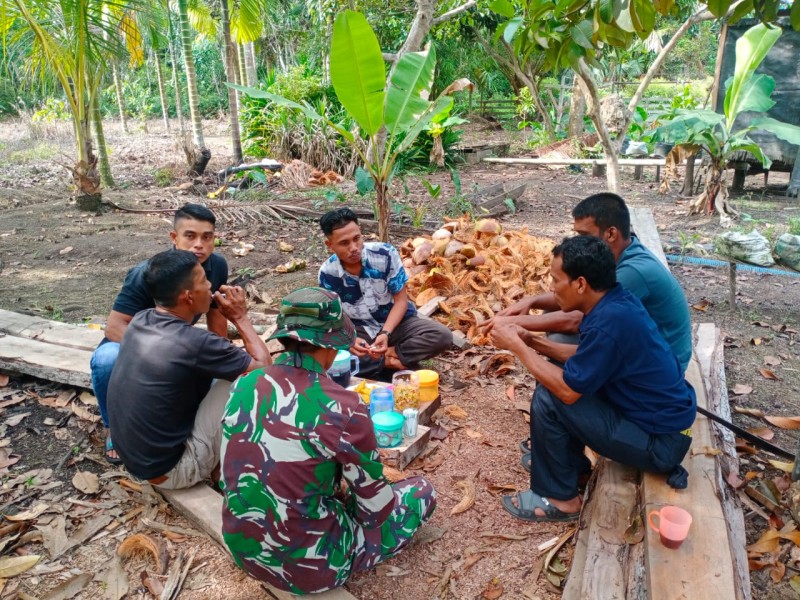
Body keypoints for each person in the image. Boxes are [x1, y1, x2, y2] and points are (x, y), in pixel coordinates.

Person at [220, 287, 436, 594]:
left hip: (243, 548)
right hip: (313, 569)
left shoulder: (245, 382)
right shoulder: (345, 408)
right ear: (332, 345)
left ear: (283, 336)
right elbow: (373, 511)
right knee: (421, 492)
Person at [490, 236, 696, 522]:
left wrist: (519, 348)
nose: (551, 288)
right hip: (658, 427)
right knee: (553, 374)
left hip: (659, 445)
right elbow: (585, 358)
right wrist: (531, 341)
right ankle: (574, 472)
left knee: (551, 394)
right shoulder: (615, 303)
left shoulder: (611, 321)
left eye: (556, 280)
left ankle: (561, 501)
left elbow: (568, 392)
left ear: (581, 284)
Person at [107, 250, 271, 490]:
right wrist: (240, 317)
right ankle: (226, 471)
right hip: (173, 471)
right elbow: (263, 370)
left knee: (224, 375)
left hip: (139, 462)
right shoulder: (194, 342)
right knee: (246, 383)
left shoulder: (142, 319)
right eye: (204, 280)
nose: (210, 285)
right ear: (188, 297)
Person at [482, 192, 692, 372]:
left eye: (584, 235)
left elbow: (575, 320)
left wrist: (513, 324)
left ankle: (571, 399)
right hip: (643, 347)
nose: (578, 242)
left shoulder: (634, 273)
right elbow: (576, 294)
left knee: (560, 340)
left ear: (611, 234)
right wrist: (531, 302)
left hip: (663, 363)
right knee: (553, 310)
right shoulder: (621, 254)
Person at [90, 203, 229, 464]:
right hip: (134, 345)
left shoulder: (217, 266)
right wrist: (161, 353)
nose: (199, 244)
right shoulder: (146, 273)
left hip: (176, 342)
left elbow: (216, 311)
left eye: (207, 237)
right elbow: (115, 326)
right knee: (106, 359)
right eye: (190, 236)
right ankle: (113, 427)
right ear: (174, 238)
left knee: (217, 380)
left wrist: (220, 354)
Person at [317, 207, 452, 378]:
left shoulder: (385, 254)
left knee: (442, 336)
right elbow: (337, 316)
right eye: (344, 243)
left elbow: (401, 301)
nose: (354, 248)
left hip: (396, 324)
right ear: (330, 245)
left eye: (357, 239)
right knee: (327, 354)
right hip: (361, 330)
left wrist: (385, 333)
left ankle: (384, 357)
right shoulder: (327, 273)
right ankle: (391, 362)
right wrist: (350, 339)